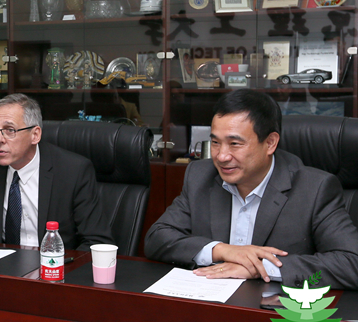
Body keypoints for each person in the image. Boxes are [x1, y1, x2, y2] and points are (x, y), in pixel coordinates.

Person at [145, 89, 358, 289]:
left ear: (270, 143)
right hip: (208, 300)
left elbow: (352, 263)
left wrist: (261, 267)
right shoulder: (201, 176)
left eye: (235, 144)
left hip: (276, 310)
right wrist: (222, 250)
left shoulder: (314, 189)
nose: (221, 156)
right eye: (216, 142)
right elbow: (157, 238)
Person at [0, 93, 113, 251]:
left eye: (10, 130)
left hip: (53, 262)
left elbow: (96, 241)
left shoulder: (74, 170)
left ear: (35, 135)